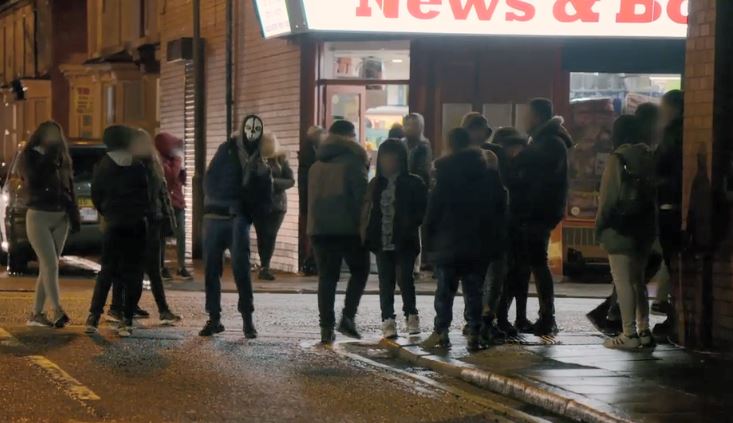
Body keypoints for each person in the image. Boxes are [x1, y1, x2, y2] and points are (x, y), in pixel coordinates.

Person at [421, 128, 505, 351]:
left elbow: (433, 211)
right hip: (478, 242)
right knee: (474, 290)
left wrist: (428, 245)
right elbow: (497, 209)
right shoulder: (485, 172)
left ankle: (441, 331)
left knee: (445, 291)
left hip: (448, 241)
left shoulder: (444, 173)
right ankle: (475, 332)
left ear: (449, 144)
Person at [198, 115, 270, 339]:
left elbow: (261, 194)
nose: (252, 133)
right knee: (212, 270)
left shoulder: (260, 158)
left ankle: (246, 320)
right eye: (249, 128)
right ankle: (215, 318)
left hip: (233, 218)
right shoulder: (228, 150)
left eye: (256, 129)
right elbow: (210, 179)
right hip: (219, 216)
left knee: (240, 270)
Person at [107, 129, 182, 326]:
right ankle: (128, 308)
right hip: (146, 221)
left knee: (135, 267)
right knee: (141, 269)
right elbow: (163, 194)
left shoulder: (136, 164)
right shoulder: (149, 164)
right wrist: (170, 221)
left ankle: (123, 307)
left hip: (144, 221)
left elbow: (162, 193)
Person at [513, 98, 573, 337]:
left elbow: (526, 165)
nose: (524, 120)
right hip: (541, 210)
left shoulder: (548, 144)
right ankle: (537, 316)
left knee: (537, 262)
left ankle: (547, 317)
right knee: (533, 262)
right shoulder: (546, 141)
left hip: (538, 211)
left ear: (537, 117)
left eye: (527, 115)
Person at [595, 115, 656, 349]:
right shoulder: (648, 156)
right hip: (644, 227)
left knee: (623, 281)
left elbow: (608, 198)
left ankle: (628, 334)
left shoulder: (617, 158)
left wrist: (599, 227)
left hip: (620, 227)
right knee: (638, 281)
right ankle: (644, 330)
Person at [308, 120, 370, 344]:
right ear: (351, 137)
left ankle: (326, 329)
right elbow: (363, 198)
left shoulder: (316, 165)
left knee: (327, 278)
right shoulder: (353, 162)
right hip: (348, 230)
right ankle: (348, 317)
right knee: (361, 271)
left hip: (319, 230)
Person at [85, 125, 150, 337]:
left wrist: (108, 212)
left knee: (107, 271)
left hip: (114, 223)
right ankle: (127, 319)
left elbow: (96, 196)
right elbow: (146, 197)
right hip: (136, 225)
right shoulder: (138, 165)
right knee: (133, 272)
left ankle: (94, 316)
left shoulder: (103, 166)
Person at [361, 139, 427, 339]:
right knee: (385, 282)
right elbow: (369, 212)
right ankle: (388, 319)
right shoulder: (376, 184)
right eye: (385, 159)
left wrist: (410, 225)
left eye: (393, 159)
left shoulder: (413, 182)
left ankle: (411, 315)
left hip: (405, 240)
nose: (389, 163)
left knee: (405, 279)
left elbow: (422, 210)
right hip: (381, 240)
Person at [22, 121, 80, 328]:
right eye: (50, 135)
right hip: (38, 215)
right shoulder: (30, 154)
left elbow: (69, 185)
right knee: (50, 264)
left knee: (48, 267)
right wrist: (47, 157)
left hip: (60, 215)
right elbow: (33, 179)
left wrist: (74, 214)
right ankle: (56, 310)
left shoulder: (62, 157)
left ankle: (36, 314)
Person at [492, 128, 534, 336]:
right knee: (505, 275)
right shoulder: (498, 169)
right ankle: (499, 317)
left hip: (519, 225)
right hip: (504, 228)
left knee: (520, 273)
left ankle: (517, 316)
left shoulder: (520, 168)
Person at [653, 90, 684, 336]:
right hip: (676, 205)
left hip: (669, 206)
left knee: (673, 264)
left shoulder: (673, 133)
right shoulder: (683, 130)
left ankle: (673, 317)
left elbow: (662, 166)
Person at [254, 132, 294, 280]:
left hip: (277, 205)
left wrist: (273, 182)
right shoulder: (255, 159)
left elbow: (290, 181)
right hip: (259, 204)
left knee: (270, 235)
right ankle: (264, 265)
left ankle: (265, 266)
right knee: (261, 235)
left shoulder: (281, 159)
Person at [155, 132, 192, 281]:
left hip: (177, 203)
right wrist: (177, 161)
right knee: (162, 236)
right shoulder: (159, 161)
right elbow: (170, 176)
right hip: (165, 204)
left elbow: (181, 180)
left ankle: (181, 266)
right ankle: (161, 266)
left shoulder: (171, 159)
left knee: (181, 234)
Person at [298, 126, 324, 276]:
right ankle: (311, 261)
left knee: (311, 232)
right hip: (313, 201)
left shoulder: (306, 155)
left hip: (308, 201)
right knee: (314, 233)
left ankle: (310, 261)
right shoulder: (313, 158)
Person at [402, 113, 433, 189]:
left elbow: (423, 170)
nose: (409, 128)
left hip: (418, 185)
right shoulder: (401, 143)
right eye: (407, 125)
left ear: (420, 127)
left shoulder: (424, 146)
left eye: (413, 125)